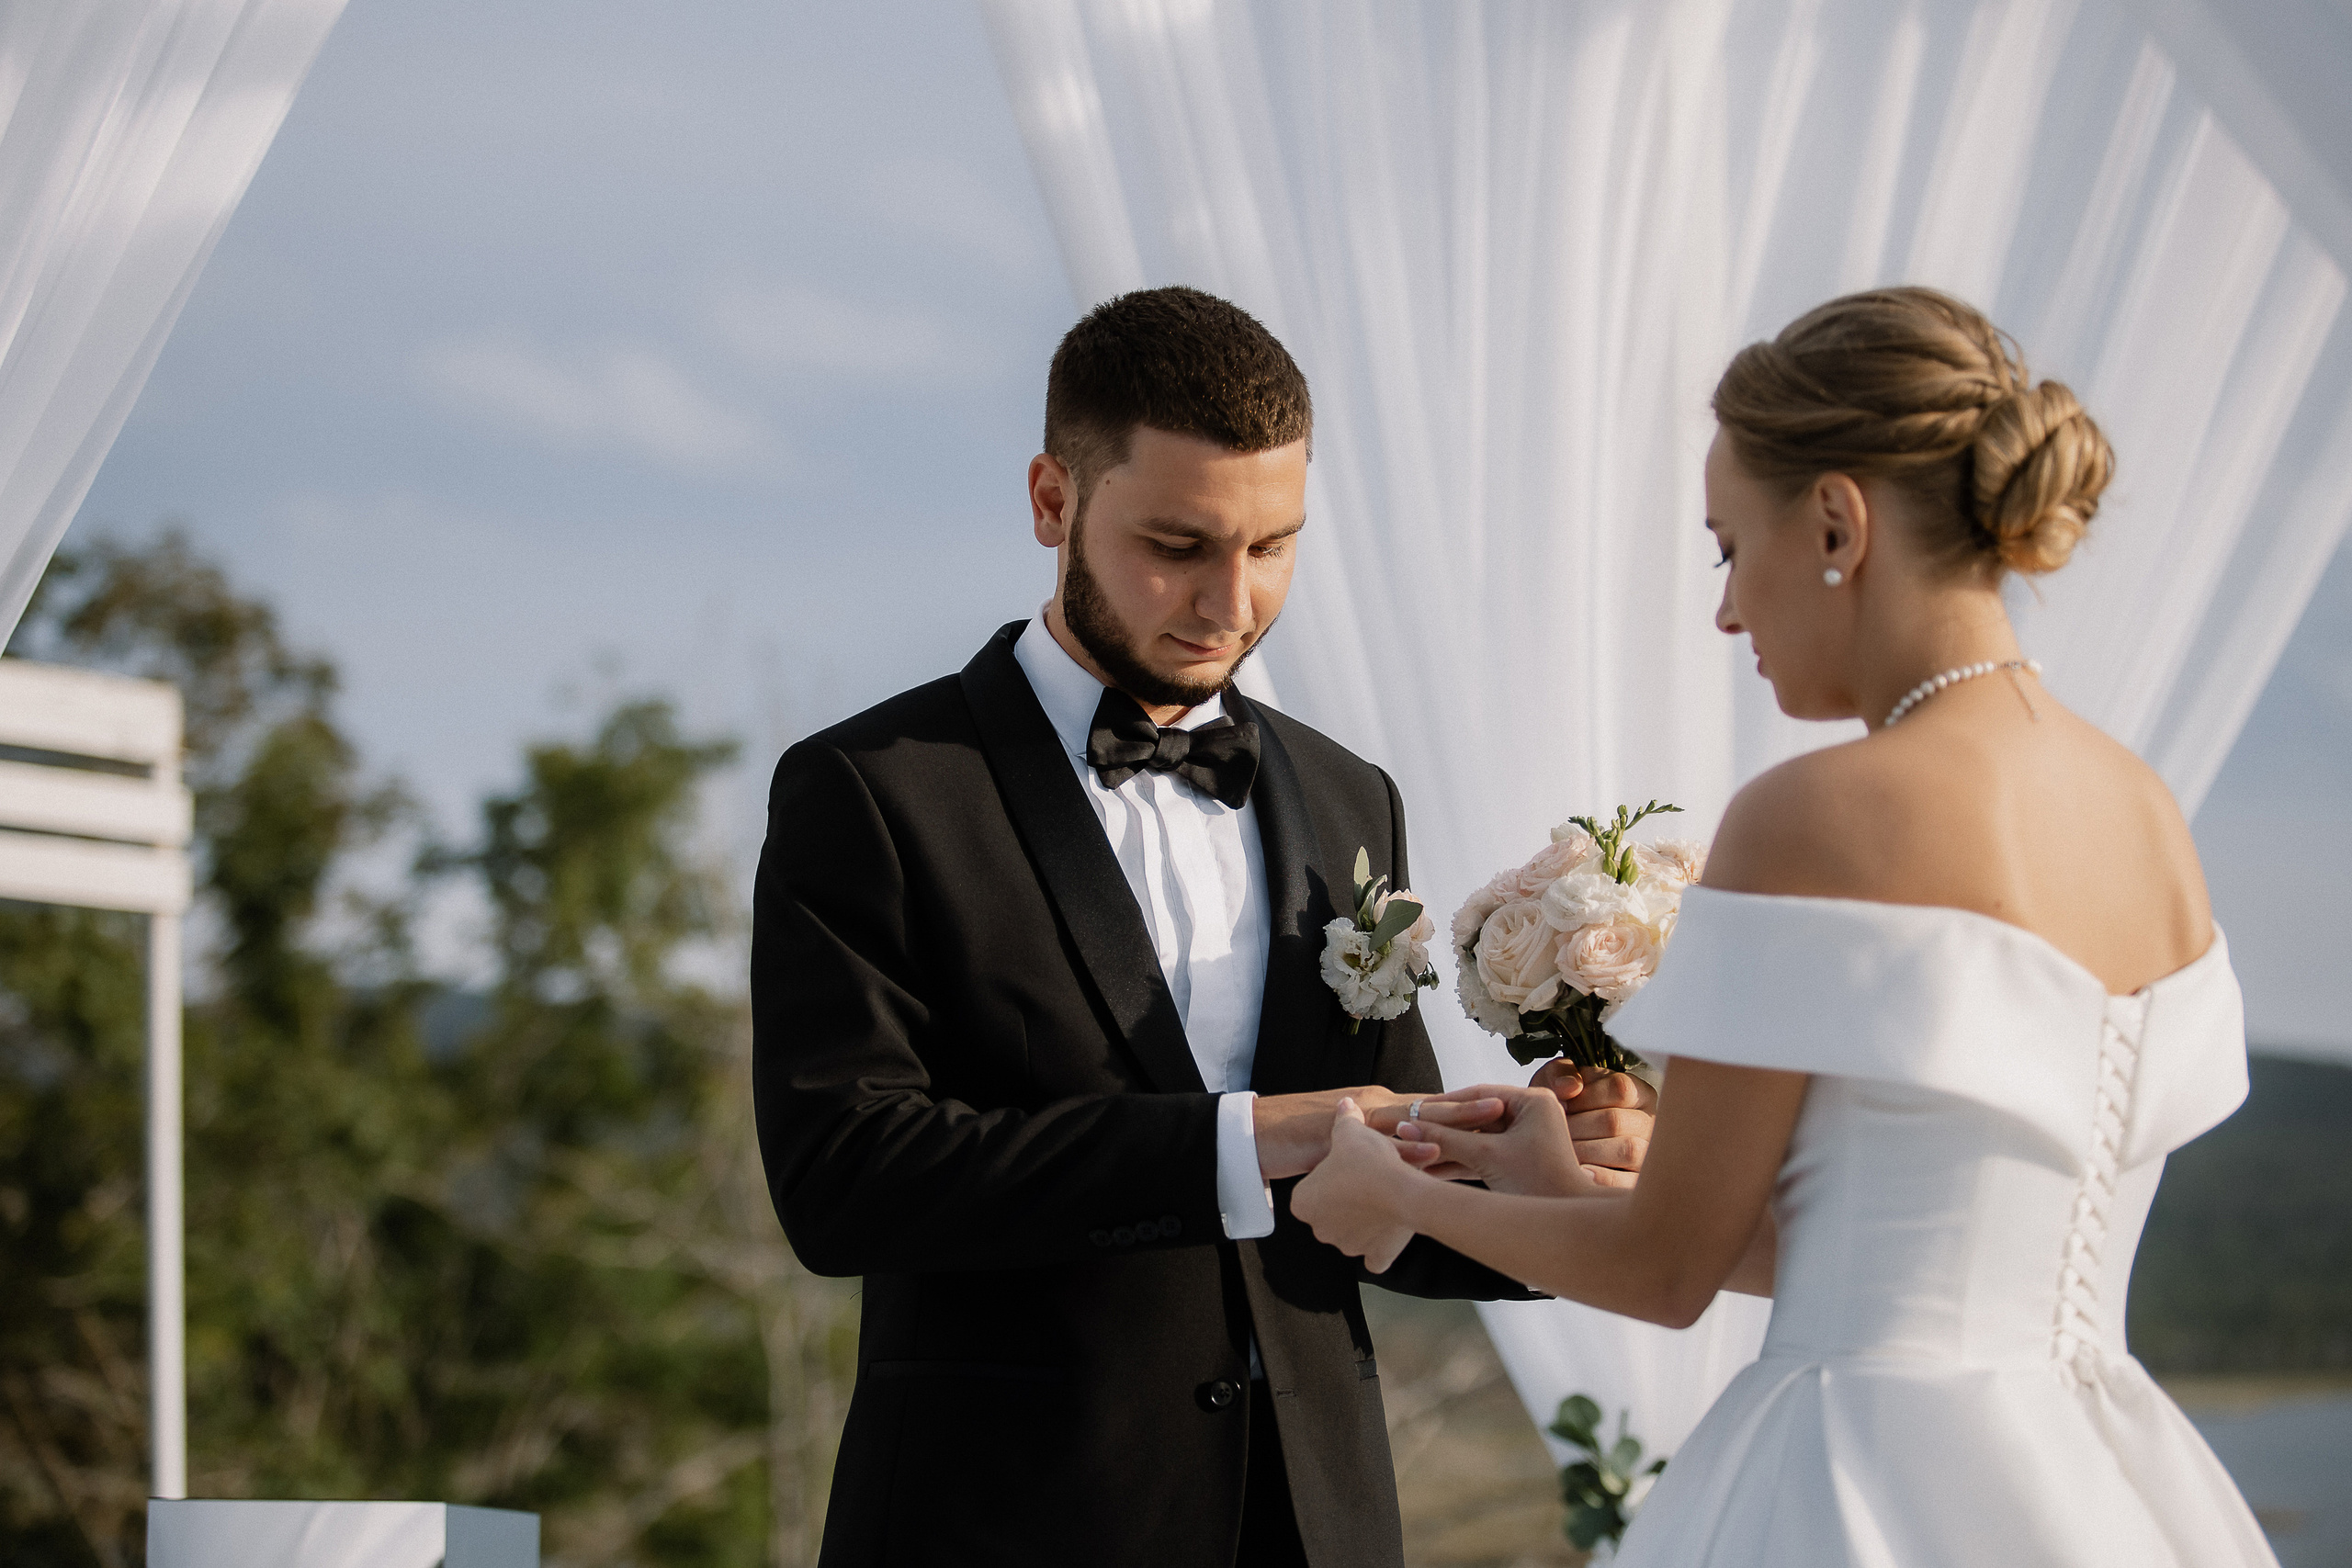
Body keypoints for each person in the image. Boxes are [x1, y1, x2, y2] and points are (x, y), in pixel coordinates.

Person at [1293, 287, 2278, 1566]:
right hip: (2101, 1488)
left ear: (1835, 523)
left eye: (1726, 547)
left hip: (1859, 1478)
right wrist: (1560, 1187)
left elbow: (1664, 1275)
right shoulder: (2144, 812)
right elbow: (1883, 1259)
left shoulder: (1815, 814)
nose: (1726, 612)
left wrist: (1397, 1198)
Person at [750, 285, 1656, 1568]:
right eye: (1178, 545)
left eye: (1273, 546)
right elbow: (847, 1185)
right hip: (1006, 1525)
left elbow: (1386, 1190)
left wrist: (1548, 1182)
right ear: (1052, 501)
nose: (1231, 603)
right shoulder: (874, 791)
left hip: (1317, 1527)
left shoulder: (1349, 795)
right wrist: (1260, 1135)